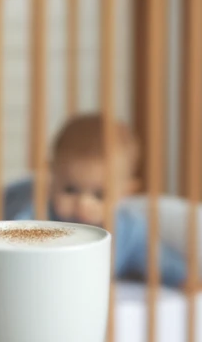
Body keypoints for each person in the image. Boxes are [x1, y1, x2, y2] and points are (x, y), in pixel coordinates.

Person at [11, 113, 187, 286]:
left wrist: (185, 279)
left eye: (99, 195)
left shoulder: (129, 231)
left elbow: (160, 261)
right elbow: (10, 241)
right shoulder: (38, 215)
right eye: (70, 189)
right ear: (52, 176)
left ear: (125, 193)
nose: (83, 203)